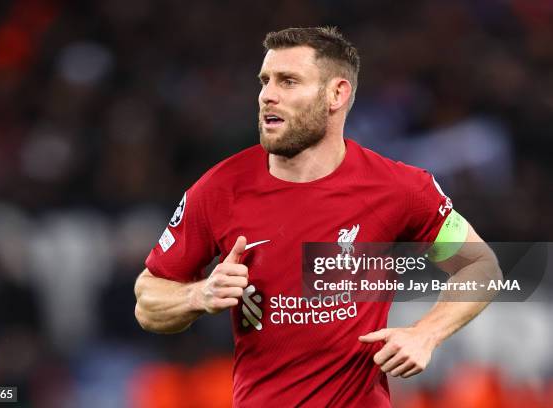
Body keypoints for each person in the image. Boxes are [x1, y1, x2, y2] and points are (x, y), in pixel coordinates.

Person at [134, 27, 501, 407]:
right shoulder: (220, 188)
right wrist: (200, 294)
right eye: (265, 81)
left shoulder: (398, 189)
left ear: (336, 94)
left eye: (288, 81)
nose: (267, 96)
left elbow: (480, 266)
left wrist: (425, 334)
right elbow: (147, 300)